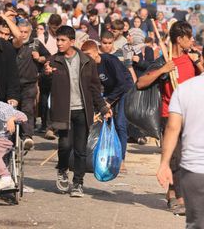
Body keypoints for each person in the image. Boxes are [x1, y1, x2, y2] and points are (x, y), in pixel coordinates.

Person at [137, 21, 203, 215]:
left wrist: (198, 61)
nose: (192, 40)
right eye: (188, 37)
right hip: (169, 114)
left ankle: (171, 194)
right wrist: (162, 71)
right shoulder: (163, 61)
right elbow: (140, 83)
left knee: (185, 157)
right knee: (175, 156)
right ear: (179, 39)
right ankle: (180, 198)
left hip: (192, 114)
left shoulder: (193, 58)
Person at [44, 25, 111, 198]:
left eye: (62, 40)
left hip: (83, 111)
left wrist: (103, 108)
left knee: (81, 149)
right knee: (65, 145)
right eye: (57, 40)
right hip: (62, 111)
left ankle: (78, 183)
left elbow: (95, 88)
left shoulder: (86, 61)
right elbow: (43, 89)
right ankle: (62, 169)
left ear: (72, 42)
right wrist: (46, 75)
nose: (59, 43)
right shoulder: (53, 61)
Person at [157, 74, 204, 228]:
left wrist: (164, 163)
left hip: (194, 170)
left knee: (196, 223)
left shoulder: (184, 89)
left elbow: (172, 128)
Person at [81, 40, 133, 172]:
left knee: (120, 124)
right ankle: (106, 156)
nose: (86, 58)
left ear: (96, 51)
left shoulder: (110, 60)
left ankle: (121, 160)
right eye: (84, 55)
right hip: (110, 92)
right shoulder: (90, 67)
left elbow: (122, 83)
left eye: (88, 54)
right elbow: (94, 88)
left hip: (125, 90)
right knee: (108, 122)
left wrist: (109, 101)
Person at [16, 20, 50, 150]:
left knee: (28, 109)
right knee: (12, 111)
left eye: (26, 32)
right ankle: (12, 136)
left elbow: (48, 57)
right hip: (13, 84)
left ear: (30, 32)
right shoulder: (13, 43)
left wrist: (39, 58)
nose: (23, 34)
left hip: (29, 83)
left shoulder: (35, 43)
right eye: (21, 32)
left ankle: (27, 136)